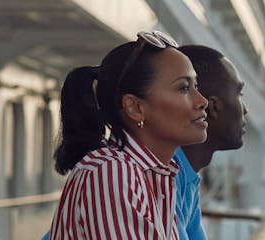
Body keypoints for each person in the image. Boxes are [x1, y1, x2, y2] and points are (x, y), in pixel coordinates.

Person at [47, 31, 208, 240]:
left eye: (196, 86)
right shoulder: (109, 172)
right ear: (135, 108)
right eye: (184, 88)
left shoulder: (155, 175)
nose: (202, 100)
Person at [171, 45, 248, 240]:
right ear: (212, 106)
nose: (245, 109)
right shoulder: (168, 175)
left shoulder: (186, 176)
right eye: (239, 94)